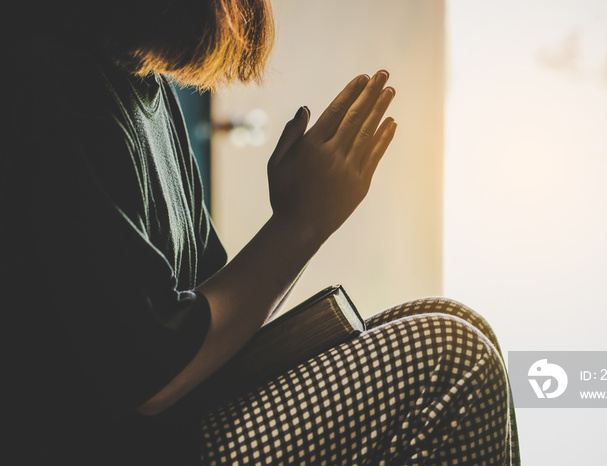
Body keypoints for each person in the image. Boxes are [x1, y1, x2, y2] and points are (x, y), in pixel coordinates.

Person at [1, 0, 520, 464]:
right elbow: (151, 376)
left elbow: (212, 316)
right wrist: (301, 225)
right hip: (111, 450)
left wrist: (297, 218)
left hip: (171, 429)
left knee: (458, 321)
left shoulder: (144, 83)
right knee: (452, 357)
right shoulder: (49, 79)